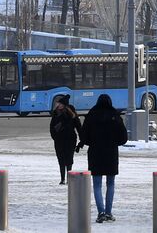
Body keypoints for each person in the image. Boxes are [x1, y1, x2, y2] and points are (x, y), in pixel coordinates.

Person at [79, 93, 127, 223]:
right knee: (110, 184)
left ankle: (100, 213)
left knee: (97, 185)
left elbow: (84, 137)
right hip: (111, 153)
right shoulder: (115, 115)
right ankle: (109, 212)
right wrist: (113, 142)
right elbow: (123, 138)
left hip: (95, 153)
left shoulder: (91, 115)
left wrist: (93, 141)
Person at [49, 94, 82, 184]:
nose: (57, 105)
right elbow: (52, 127)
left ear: (64, 105)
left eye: (59, 103)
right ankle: (62, 179)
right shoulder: (56, 113)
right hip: (59, 140)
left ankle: (69, 179)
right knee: (61, 159)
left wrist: (82, 139)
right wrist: (55, 137)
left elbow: (78, 126)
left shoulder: (71, 114)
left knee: (69, 159)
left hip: (70, 140)